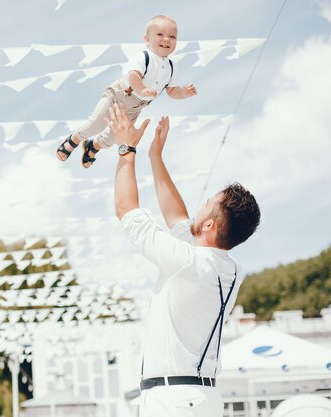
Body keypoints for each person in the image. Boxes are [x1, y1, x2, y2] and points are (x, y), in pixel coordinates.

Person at [108, 103, 260, 417]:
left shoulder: (190, 264)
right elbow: (178, 219)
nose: (199, 205)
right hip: (200, 396)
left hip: (173, 400)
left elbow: (126, 208)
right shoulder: (228, 269)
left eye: (207, 203)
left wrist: (127, 148)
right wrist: (155, 157)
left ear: (210, 226)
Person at [56, 15, 196, 169]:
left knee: (115, 137)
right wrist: (142, 89)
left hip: (136, 106)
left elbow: (172, 91)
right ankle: (73, 140)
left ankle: (92, 147)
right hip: (119, 95)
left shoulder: (172, 67)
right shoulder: (144, 57)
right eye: (160, 34)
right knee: (96, 124)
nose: (167, 39)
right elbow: (133, 75)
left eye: (172, 36)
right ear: (147, 39)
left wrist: (184, 93)